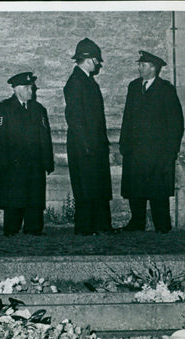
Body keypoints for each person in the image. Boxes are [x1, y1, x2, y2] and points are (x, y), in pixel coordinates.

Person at [119, 50, 184, 234]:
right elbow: (127, 117)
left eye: (143, 65)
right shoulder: (133, 87)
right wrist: (124, 144)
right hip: (135, 150)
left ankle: (162, 225)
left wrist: (170, 152)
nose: (139, 68)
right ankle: (137, 222)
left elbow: (175, 123)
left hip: (158, 152)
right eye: (139, 64)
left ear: (154, 68)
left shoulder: (166, 90)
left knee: (158, 190)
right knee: (135, 189)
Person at [0, 72, 54, 236]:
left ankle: (33, 228)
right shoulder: (3, 108)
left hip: (34, 164)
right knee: (13, 197)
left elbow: (45, 137)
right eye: (27, 88)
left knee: (34, 197)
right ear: (17, 89)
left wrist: (47, 162)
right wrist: (2, 163)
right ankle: (11, 229)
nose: (31, 90)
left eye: (31, 87)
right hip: (13, 164)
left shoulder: (38, 109)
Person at [63, 38, 113, 235]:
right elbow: (74, 118)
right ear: (89, 59)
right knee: (86, 187)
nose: (99, 63)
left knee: (96, 186)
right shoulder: (76, 82)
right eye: (96, 60)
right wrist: (86, 145)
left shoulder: (86, 81)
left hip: (92, 144)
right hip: (83, 145)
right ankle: (85, 228)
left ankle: (100, 225)